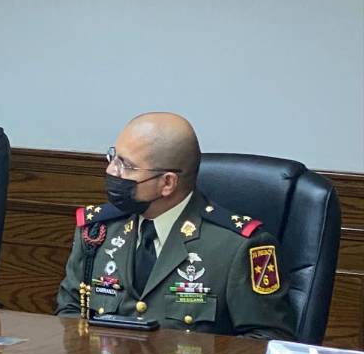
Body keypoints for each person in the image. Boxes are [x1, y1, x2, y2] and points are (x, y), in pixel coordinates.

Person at [56, 112, 295, 339]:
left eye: (125, 165)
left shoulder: (239, 247)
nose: (111, 170)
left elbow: (267, 339)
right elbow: (70, 313)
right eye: (113, 157)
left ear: (168, 183)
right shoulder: (98, 231)